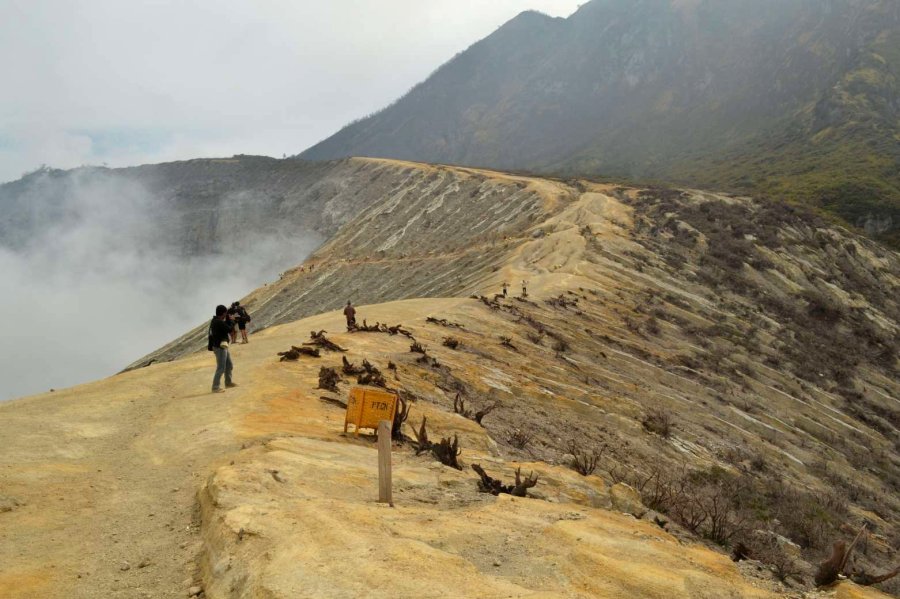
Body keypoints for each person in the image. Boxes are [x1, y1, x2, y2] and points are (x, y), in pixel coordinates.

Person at [208, 304, 237, 393]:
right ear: (223, 313)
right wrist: (232, 321)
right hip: (220, 347)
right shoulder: (218, 322)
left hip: (222, 346)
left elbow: (225, 328)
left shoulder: (216, 320)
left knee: (229, 365)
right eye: (226, 313)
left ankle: (228, 382)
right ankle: (215, 387)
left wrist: (228, 320)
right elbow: (229, 329)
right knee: (221, 367)